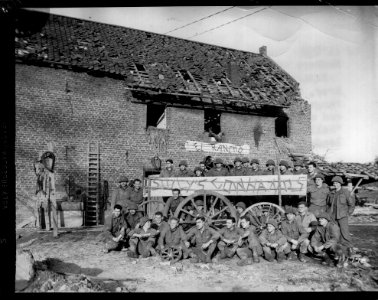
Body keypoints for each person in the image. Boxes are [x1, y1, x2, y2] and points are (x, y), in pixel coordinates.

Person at [326, 176, 355, 253]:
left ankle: (349, 248)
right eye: (334, 183)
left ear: (340, 184)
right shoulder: (331, 193)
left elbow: (351, 204)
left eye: (336, 183)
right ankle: (337, 248)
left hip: (342, 215)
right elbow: (328, 204)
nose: (335, 184)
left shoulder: (345, 192)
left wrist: (348, 213)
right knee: (335, 231)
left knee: (344, 232)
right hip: (332, 216)